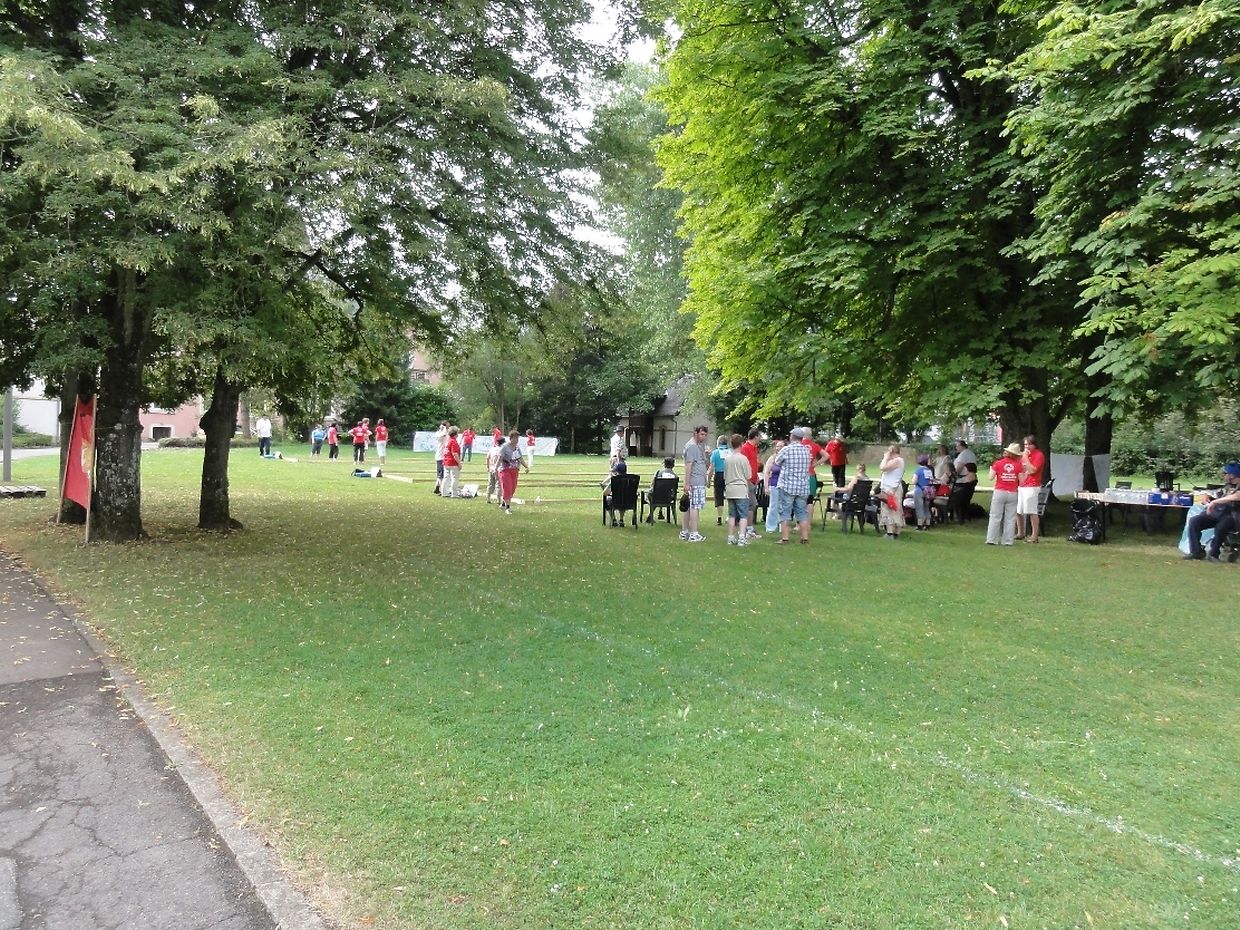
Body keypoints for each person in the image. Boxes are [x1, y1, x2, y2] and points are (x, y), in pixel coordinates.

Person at [1183, 462, 1240, 561]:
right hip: (1218, 514)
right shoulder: (1227, 486)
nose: (1223, 475)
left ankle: (1213, 554)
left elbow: (1236, 496)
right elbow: (1216, 495)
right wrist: (1207, 497)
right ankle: (1196, 552)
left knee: (1222, 525)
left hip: (1233, 516)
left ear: (1232, 475)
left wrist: (1214, 503)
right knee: (1194, 521)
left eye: (1225, 473)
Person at [773, 428, 813, 544]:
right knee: (802, 513)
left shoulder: (786, 450)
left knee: (785, 512)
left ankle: (785, 538)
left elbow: (777, 462)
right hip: (802, 487)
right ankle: (804, 538)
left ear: (792, 436)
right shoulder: (806, 450)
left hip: (787, 486)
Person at [986, 442, 1023, 545]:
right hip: (1012, 492)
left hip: (1000, 491)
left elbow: (990, 477)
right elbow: (1022, 481)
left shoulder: (998, 463)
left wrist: (991, 469)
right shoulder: (1018, 465)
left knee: (995, 516)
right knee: (1010, 517)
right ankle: (1008, 540)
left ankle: (992, 539)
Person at [681, 425, 709, 542]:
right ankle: (694, 533)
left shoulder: (699, 446)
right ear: (696, 433)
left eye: (705, 435)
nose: (704, 437)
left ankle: (685, 532)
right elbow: (689, 465)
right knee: (694, 507)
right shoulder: (692, 446)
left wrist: (707, 455)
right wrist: (687, 483)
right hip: (695, 480)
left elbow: (705, 464)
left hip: (699, 480)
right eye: (702, 434)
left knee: (689, 507)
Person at [723, 433, 753, 546]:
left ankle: (730, 537)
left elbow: (725, 475)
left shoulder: (727, 459)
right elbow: (748, 475)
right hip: (741, 489)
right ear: (741, 444)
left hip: (730, 489)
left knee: (732, 515)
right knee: (743, 515)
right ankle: (741, 538)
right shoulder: (743, 459)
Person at [1015, 434, 1046, 542]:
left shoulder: (1038, 455)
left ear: (1034, 445)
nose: (1027, 447)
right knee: (1018, 510)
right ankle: (1020, 533)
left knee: (1032, 511)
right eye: (1025, 444)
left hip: (1032, 486)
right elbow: (1020, 470)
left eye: (1029, 444)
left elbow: (1033, 470)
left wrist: (1025, 458)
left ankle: (1034, 536)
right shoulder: (1022, 455)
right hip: (1021, 485)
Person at [878, 444, 906, 539]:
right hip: (893, 488)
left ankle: (890, 533)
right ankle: (896, 533)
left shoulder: (897, 461)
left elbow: (882, 467)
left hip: (891, 489)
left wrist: (885, 457)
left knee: (890, 510)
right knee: (895, 510)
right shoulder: (899, 461)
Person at [497, 430, 529, 513]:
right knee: (507, 487)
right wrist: (495, 468)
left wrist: (526, 466)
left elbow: (520, 458)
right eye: (514, 438)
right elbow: (500, 458)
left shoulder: (517, 448)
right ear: (510, 438)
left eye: (517, 438)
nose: (516, 440)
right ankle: (507, 507)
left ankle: (504, 503)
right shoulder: (504, 447)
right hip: (505, 470)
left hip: (514, 470)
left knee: (512, 488)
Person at [740, 429, 763, 540]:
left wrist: (756, 476)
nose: (761, 438)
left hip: (753, 480)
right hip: (747, 481)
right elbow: (743, 465)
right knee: (751, 504)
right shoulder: (745, 448)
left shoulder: (754, 448)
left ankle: (748, 528)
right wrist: (747, 480)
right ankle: (748, 529)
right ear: (755, 436)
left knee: (751, 505)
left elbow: (754, 463)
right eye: (760, 436)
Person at [762, 440, 785, 535]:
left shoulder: (787, 458)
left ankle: (782, 526)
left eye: (781, 446)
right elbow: (766, 473)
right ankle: (770, 527)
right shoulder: (772, 458)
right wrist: (766, 487)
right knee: (773, 506)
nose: (779, 448)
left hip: (784, 486)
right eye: (777, 446)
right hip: (774, 485)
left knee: (783, 507)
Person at [709, 434, 730, 527]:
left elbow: (711, 468)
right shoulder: (730, 452)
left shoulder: (715, 453)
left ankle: (719, 517)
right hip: (729, 475)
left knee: (719, 496)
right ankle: (730, 516)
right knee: (730, 496)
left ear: (718, 443)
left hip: (718, 475)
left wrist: (708, 480)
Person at [911, 453, 935, 531]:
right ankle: (928, 525)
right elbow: (932, 480)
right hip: (928, 491)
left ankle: (920, 525)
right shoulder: (929, 470)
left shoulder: (918, 470)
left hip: (919, 490)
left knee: (919, 508)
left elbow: (914, 481)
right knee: (927, 508)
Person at [601, 459, 628, 527]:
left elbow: (605, 493)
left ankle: (613, 519)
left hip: (616, 501)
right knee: (623, 499)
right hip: (628, 501)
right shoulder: (631, 479)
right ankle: (621, 519)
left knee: (607, 500)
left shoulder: (614, 480)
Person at [441, 426, 462, 497]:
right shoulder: (453, 441)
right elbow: (454, 453)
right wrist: (459, 463)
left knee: (446, 478)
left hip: (446, 461)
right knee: (455, 478)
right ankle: (454, 493)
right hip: (453, 462)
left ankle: (444, 492)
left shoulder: (448, 441)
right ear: (455, 433)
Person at [484, 439, 503, 505]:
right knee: (498, 485)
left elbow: (487, 458)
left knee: (490, 484)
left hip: (491, 468)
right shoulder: (502, 450)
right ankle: (498, 500)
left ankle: (488, 498)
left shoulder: (492, 449)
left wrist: (488, 467)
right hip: (499, 469)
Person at [433, 421, 449, 494]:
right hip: (440, 456)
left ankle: (437, 487)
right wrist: (444, 428)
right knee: (441, 474)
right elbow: (443, 435)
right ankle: (442, 489)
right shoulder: (439, 434)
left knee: (440, 473)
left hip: (443, 456)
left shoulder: (444, 434)